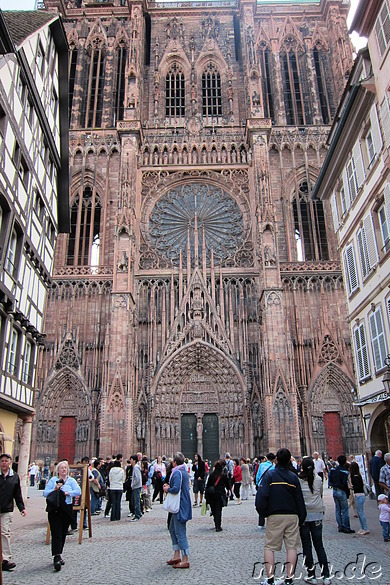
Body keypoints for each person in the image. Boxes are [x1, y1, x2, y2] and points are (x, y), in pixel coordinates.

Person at [256, 447, 306, 585]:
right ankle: (289, 579)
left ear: (276, 459)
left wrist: (264, 513)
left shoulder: (270, 475)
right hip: (292, 516)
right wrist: (301, 518)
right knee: (291, 548)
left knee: (270, 547)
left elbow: (262, 496)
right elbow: (299, 499)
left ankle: (270, 578)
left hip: (275, 515)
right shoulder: (293, 477)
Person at [43, 460, 81, 571]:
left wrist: (68, 493)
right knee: (56, 532)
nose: (64, 469)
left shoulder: (71, 481)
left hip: (67, 507)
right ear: (58, 470)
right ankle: (57, 556)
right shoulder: (53, 480)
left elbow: (78, 491)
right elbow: (45, 493)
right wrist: (54, 489)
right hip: (55, 508)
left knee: (63, 532)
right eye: (61, 468)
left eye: (65, 468)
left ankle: (59, 554)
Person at [298, 457, 331, 585]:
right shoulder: (318, 480)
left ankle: (311, 575)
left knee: (307, 546)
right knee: (319, 546)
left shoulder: (299, 481)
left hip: (305, 517)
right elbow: (320, 494)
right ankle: (326, 576)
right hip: (317, 516)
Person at [164, 452, 192, 569]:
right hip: (182, 504)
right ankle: (176, 554)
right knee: (172, 528)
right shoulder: (184, 472)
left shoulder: (177, 473)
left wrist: (167, 488)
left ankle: (185, 558)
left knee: (180, 532)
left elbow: (175, 490)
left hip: (180, 505)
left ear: (175, 462)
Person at [0, 453, 26, 572]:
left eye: (6, 461)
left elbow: (17, 494)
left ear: (10, 462)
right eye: (2, 461)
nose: (4, 463)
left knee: (4, 533)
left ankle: (5, 559)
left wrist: (22, 508)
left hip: (7, 510)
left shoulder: (14, 477)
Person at [328, 455, 354, 534]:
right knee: (345, 510)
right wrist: (347, 492)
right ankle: (346, 527)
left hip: (335, 490)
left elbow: (330, 480)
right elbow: (345, 484)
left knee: (337, 509)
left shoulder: (333, 470)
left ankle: (340, 526)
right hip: (341, 491)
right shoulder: (345, 472)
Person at [205, 459, 229, 531]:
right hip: (220, 494)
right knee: (219, 510)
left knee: (214, 509)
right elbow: (227, 485)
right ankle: (218, 526)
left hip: (212, 495)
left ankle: (216, 523)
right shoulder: (223, 475)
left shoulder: (212, 475)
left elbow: (208, 485)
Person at [256, 453, 275, 529]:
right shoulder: (273, 467)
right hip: (270, 487)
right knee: (271, 503)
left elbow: (257, 476)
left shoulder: (261, 465)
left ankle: (261, 523)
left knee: (261, 503)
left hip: (261, 486)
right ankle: (271, 522)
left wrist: (258, 484)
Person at [349, 461, 369, 535]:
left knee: (360, 513)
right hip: (360, 495)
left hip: (359, 495)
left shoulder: (355, 477)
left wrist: (352, 487)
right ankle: (362, 527)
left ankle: (365, 528)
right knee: (360, 512)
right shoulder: (358, 475)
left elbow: (357, 487)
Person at [130, 454, 142, 521]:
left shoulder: (135, 467)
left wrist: (133, 485)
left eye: (131, 460)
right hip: (137, 486)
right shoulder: (135, 467)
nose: (130, 461)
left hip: (136, 486)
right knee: (135, 500)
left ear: (134, 460)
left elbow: (137, 478)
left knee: (136, 501)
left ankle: (137, 515)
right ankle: (138, 513)